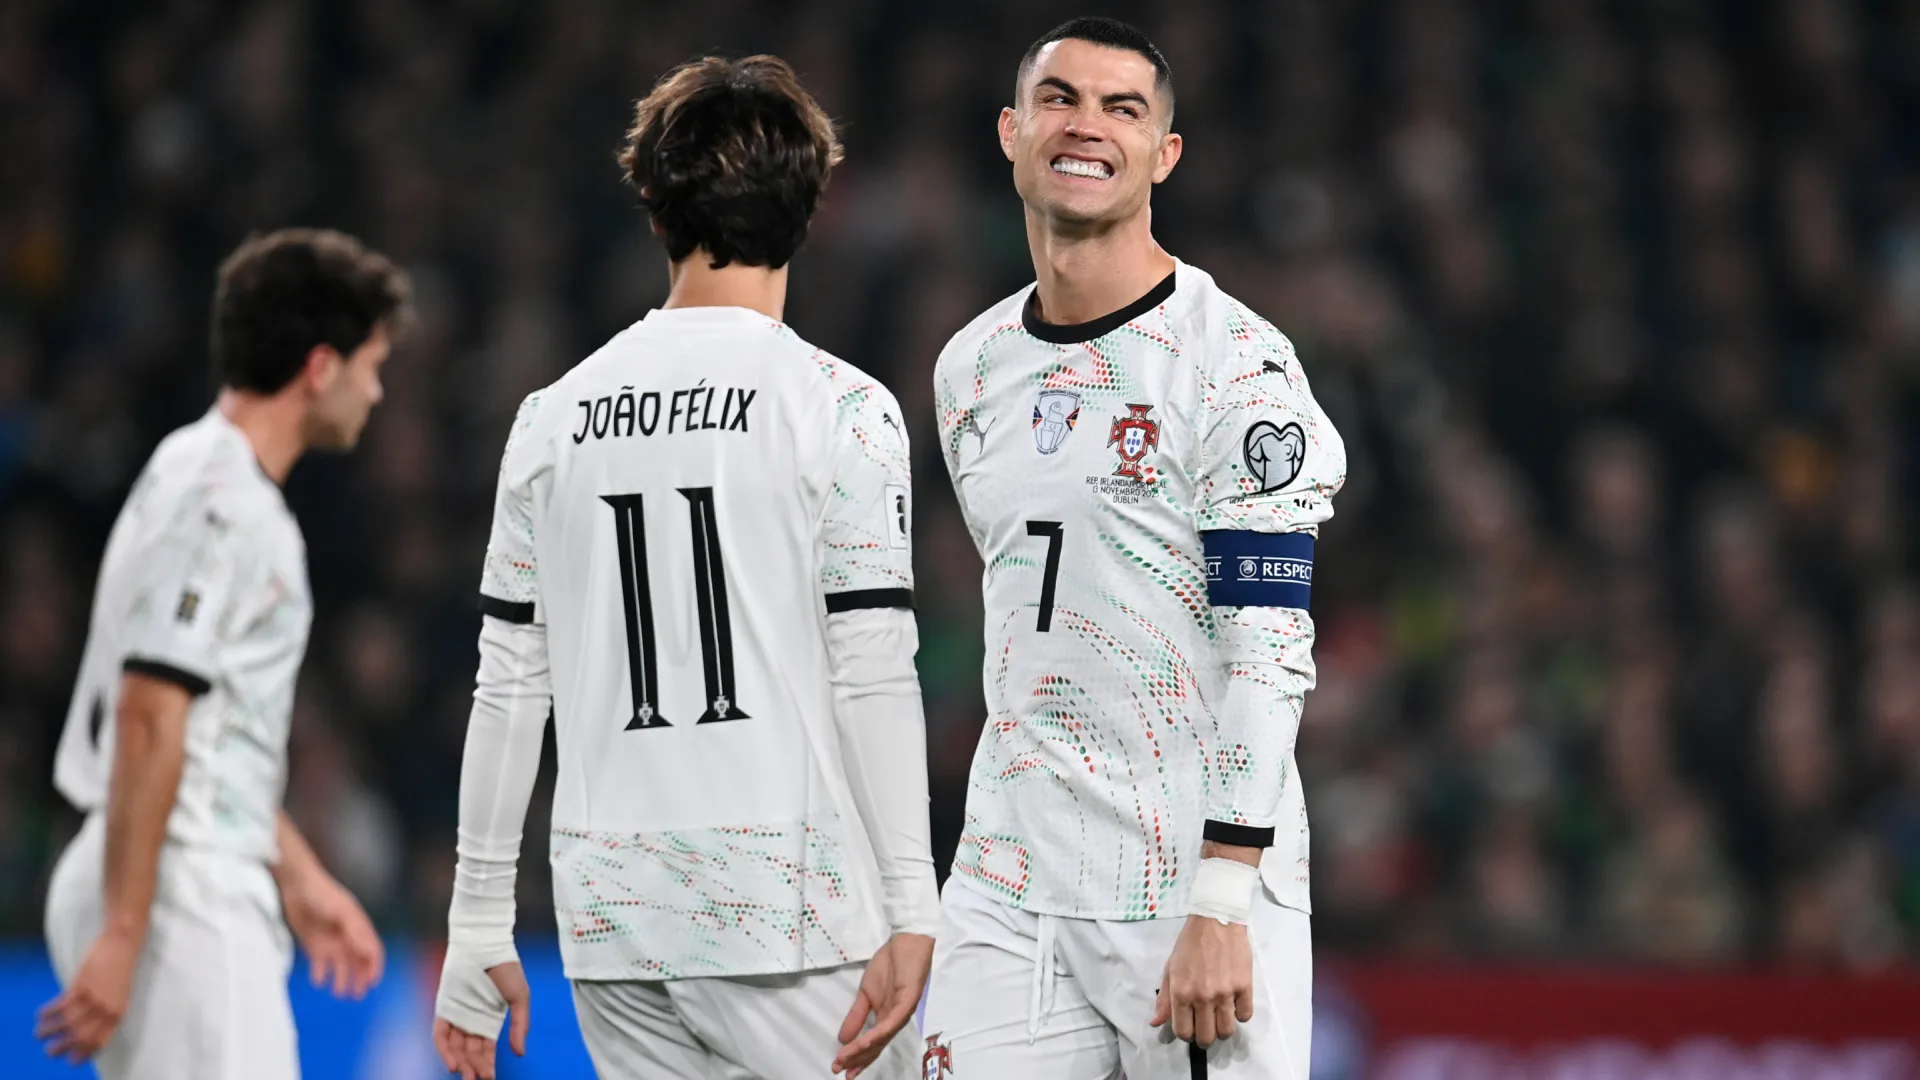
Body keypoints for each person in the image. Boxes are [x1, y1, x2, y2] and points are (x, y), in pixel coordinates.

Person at [430, 54, 938, 1080]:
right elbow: (872, 664)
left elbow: (508, 686)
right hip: (787, 915)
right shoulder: (842, 408)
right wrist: (912, 901)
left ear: (656, 210)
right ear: (807, 215)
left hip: (615, 918)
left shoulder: (552, 418)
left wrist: (479, 923)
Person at [922, 18, 1345, 1079]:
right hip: (1009, 879)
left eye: (1124, 109)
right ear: (1014, 131)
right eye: (1061, 99)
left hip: (1181, 882)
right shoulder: (969, 369)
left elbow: (1267, 652)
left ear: (1165, 155)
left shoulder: (1237, 368)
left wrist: (1221, 896)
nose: (1087, 127)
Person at [35, 228, 407, 1078]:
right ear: (320, 366)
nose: (377, 391)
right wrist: (127, 932)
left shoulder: (190, 468)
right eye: (370, 364)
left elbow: (201, 731)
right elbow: (151, 711)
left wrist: (301, 874)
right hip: (178, 884)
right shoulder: (225, 503)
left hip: (164, 860)